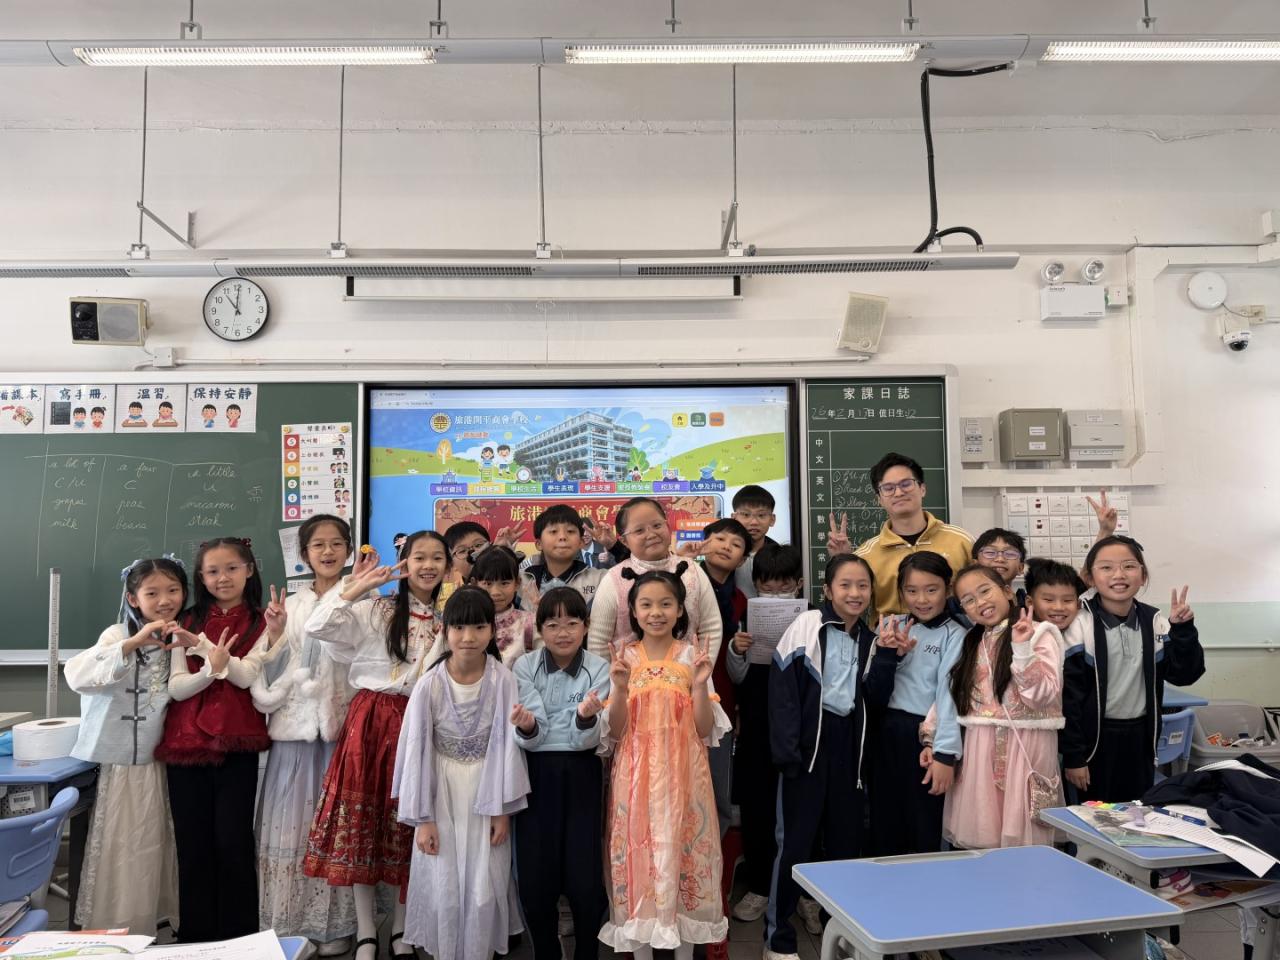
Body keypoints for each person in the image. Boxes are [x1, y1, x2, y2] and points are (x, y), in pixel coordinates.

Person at [303, 531, 451, 960]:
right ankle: (367, 931)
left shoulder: (447, 620)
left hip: (420, 723)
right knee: (363, 828)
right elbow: (317, 626)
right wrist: (356, 587)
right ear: (404, 563)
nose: (428, 566)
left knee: (411, 824)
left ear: (448, 567)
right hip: (370, 721)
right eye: (419, 557)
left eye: (437, 558)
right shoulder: (376, 610)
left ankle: (403, 927)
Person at [155, 537, 289, 942]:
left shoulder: (265, 621)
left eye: (232, 568)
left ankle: (240, 936)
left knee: (233, 841)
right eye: (212, 571)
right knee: (192, 843)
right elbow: (177, 688)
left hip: (237, 743)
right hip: (186, 745)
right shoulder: (186, 618)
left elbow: (246, 677)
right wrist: (209, 667)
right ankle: (196, 935)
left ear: (249, 569)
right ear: (201, 577)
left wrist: (203, 648)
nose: (222, 578)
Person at [393, 587, 531, 960]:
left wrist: (502, 810)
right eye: (459, 628)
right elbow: (416, 753)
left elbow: (506, 747)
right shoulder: (430, 684)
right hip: (441, 793)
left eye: (479, 627)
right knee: (443, 882)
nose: (468, 637)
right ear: (445, 629)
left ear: (492, 631)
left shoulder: (502, 680)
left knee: (486, 882)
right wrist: (423, 819)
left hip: (488, 789)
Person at [599, 566, 730, 960]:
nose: (656, 612)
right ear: (633, 612)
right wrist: (619, 688)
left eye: (665, 604)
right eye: (646, 605)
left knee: (684, 854)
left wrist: (701, 684)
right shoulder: (624, 658)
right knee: (639, 860)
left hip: (685, 777)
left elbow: (704, 728)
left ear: (680, 610)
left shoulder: (692, 656)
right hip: (634, 778)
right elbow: (616, 730)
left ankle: (684, 951)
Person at [65, 556, 194, 934]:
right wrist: (132, 643)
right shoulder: (116, 633)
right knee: (124, 840)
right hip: (123, 763)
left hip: (165, 758)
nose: (165, 600)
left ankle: (160, 916)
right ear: (133, 598)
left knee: (162, 838)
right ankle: (123, 925)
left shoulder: (185, 634)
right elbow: (77, 675)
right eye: (152, 593)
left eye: (173, 590)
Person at [250, 515, 357, 953]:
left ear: (349, 550)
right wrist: (275, 635)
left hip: (341, 732)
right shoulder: (288, 606)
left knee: (337, 830)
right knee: (291, 831)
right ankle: (291, 923)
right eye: (318, 545)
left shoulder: (363, 598)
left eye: (336, 543)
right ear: (304, 554)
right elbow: (266, 670)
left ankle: (335, 926)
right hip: (294, 735)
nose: (328, 552)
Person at [764, 555, 876, 960]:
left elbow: (873, 699)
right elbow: (783, 693)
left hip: (849, 750)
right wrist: (788, 753)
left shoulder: (871, 637)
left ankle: (839, 936)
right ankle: (777, 940)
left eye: (863, 585)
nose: (855, 593)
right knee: (794, 845)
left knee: (846, 847)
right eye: (845, 585)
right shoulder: (808, 625)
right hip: (807, 749)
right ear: (827, 590)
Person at [1061, 536, 1203, 803]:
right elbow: (1069, 699)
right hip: (1094, 742)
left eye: (1128, 566)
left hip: (1140, 738)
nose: (1119, 575)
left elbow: (1185, 674)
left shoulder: (1155, 621)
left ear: (1143, 575)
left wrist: (1183, 630)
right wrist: (1074, 757)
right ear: (1090, 578)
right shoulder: (1079, 625)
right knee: (1093, 815)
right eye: (1106, 567)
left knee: (1136, 812)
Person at [933, 564, 1064, 850]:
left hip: (1027, 746)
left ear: (1006, 591)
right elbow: (952, 694)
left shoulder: (1041, 633)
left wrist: (1022, 648)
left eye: (985, 591)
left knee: (1026, 836)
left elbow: (1042, 695)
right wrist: (931, 738)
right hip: (980, 747)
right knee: (982, 833)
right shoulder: (971, 641)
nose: (980, 602)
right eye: (968, 600)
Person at [510, 588, 611, 960]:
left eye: (572, 623)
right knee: (536, 878)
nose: (563, 632)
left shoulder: (598, 668)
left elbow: (586, 740)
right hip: (536, 775)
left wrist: (582, 719)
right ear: (539, 630)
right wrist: (530, 726)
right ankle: (547, 952)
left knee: (585, 878)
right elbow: (533, 735)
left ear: (586, 627)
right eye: (552, 625)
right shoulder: (524, 666)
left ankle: (587, 952)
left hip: (583, 774)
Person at [863, 552, 966, 856]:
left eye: (931, 590)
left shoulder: (956, 635)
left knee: (924, 823)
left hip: (924, 739)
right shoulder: (890, 627)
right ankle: (885, 883)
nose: (921, 599)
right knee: (883, 820)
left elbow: (950, 697)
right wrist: (889, 655)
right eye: (911, 590)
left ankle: (924, 883)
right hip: (883, 733)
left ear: (948, 589)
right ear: (901, 591)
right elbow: (872, 693)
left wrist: (944, 754)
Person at [724, 544, 805, 924]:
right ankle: (759, 885)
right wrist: (736, 650)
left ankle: (804, 891)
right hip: (756, 727)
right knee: (757, 809)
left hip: (801, 730)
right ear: (756, 585)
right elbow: (736, 678)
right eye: (768, 588)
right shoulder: (744, 619)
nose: (776, 595)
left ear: (799, 584)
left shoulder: (814, 618)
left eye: (784, 587)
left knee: (801, 809)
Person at [827, 452, 973, 618]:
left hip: (953, 632)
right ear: (879, 499)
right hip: (889, 634)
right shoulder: (866, 556)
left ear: (922, 489)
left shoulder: (961, 541)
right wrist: (841, 561)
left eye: (906, 484)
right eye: (888, 488)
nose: (898, 493)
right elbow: (845, 608)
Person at [586, 497, 722, 664]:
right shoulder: (614, 579)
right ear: (624, 541)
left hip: (688, 676)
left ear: (667, 526)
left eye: (657, 525)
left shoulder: (692, 570)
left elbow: (710, 629)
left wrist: (701, 672)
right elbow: (598, 641)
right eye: (639, 531)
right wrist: (611, 679)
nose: (651, 534)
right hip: (627, 678)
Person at [690, 517, 751, 838]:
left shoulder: (740, 601)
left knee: (717, 788)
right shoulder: (682, 582)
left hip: (721, 699)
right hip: (681, 695)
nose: (726, 547)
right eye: (720, 538)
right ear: (704, 542)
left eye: (736, 544)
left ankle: (716, 860)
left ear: (742, 560)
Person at [518, 504, 606, 608]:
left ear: (581, 542)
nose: (562, 537)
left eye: (570, 531)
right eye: (553, 531)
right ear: (539, 544)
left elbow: (623, 577)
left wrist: (614, 547)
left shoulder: (599, 578)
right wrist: (503, 549)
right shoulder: (521, 581)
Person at [469, 545, 537, 667]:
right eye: (488, 583)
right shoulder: (463, 622)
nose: (496, 592)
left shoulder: (530, 622)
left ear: (517, 583)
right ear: (475, 584)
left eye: (504, 583)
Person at [730, 485, 780, 599]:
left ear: (772, 519)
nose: (754, 522)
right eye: (746, 515)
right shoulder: (725, 553)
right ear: (734, 518)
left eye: (761, 515)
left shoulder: (779, 556)